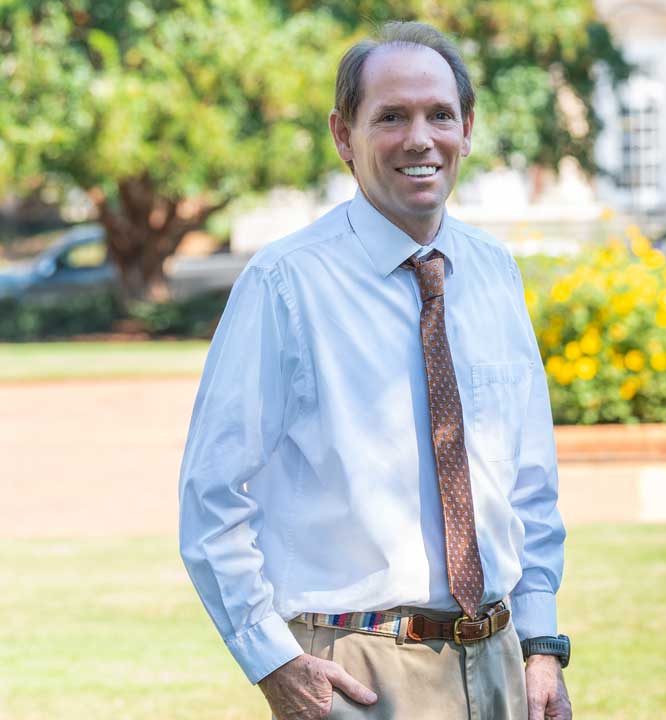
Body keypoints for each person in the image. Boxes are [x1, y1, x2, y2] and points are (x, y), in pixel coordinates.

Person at [178, 21, 572, 720]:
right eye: (391, 117)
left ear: (467, 128)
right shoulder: (285, 284)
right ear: (343, 135)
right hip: (354, 675)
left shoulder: (493, 274)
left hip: (501, 662)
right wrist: (272, 659)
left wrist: (541, 643)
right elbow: (212, 497)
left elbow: (530, 485)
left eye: (438, 115)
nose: (420, 139)